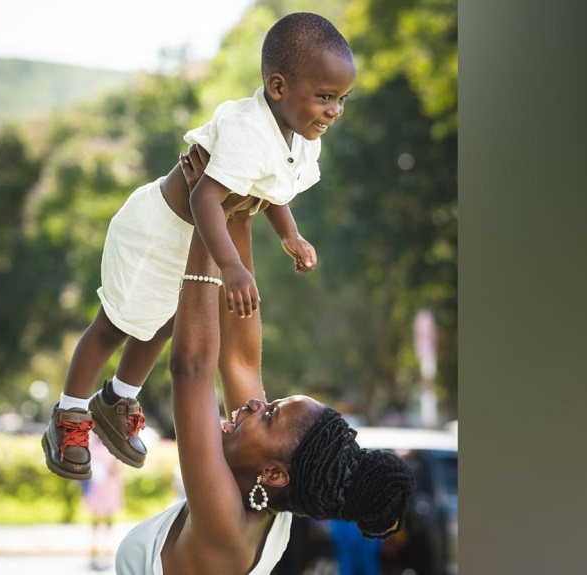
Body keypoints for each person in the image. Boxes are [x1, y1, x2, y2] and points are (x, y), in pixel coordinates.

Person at [42, 12, 359, 480]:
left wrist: (289, 234)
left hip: (192, 236)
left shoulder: (299, 131)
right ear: (278, 88)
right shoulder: (246, 130)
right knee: (116, 324)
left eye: (342, 99)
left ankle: (115, 399)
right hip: (158, 231)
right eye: (326, 98)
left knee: (165, 322)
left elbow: (268, 188)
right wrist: (231, 266)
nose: (335, 111)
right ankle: (69, 416)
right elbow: (205, 195)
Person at [113, 142, 415, 574]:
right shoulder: (274, 501)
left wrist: (207, 214)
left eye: (269, 414)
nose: (256, 403)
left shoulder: (225, 527)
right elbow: (237, 358)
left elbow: (192, 369)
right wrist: (237, 207)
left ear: (274, 475)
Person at [82, 435, 125, 571]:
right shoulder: (91, 447)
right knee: (96, 516)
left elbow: (115, 468)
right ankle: (95, 544)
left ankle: (107, 543)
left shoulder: (110, 447)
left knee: (108, 516)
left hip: (108, 486)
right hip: (96, 486)